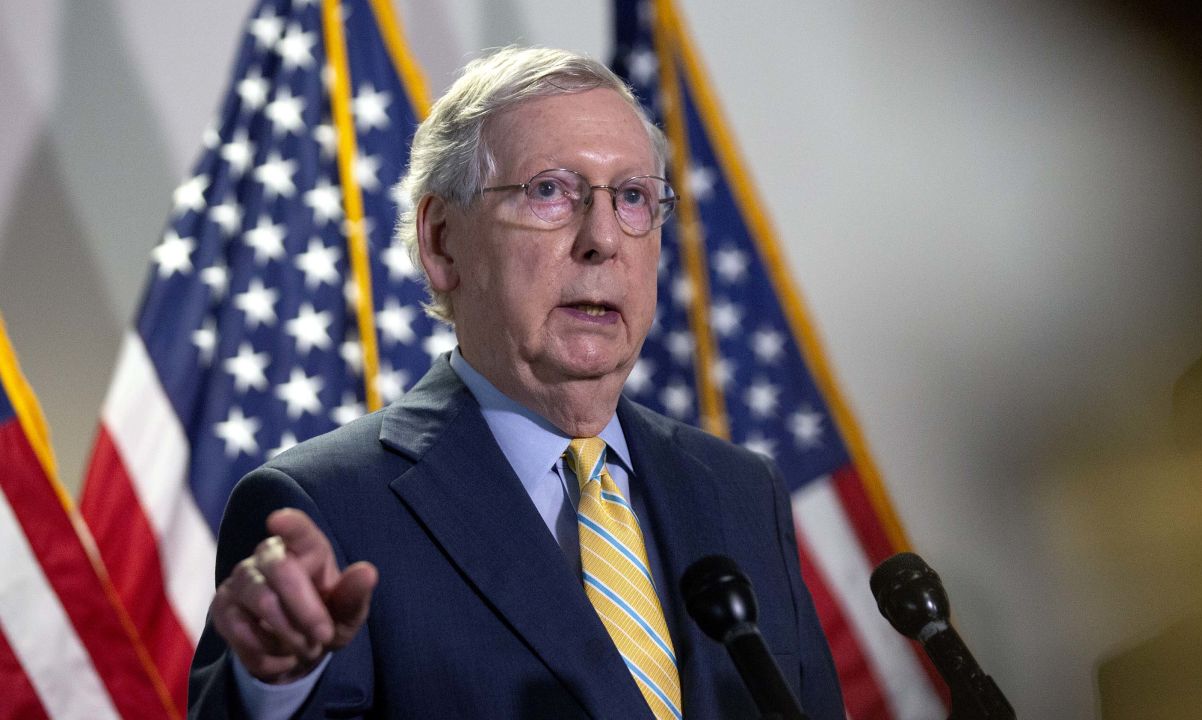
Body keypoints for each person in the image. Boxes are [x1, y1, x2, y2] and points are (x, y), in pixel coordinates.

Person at [188, 46, 843, 720]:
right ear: (442, 242)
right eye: (550, 191)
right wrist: (274, 689)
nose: (602, 240)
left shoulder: (741, 491)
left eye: (632, 198)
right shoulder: (328, 507)